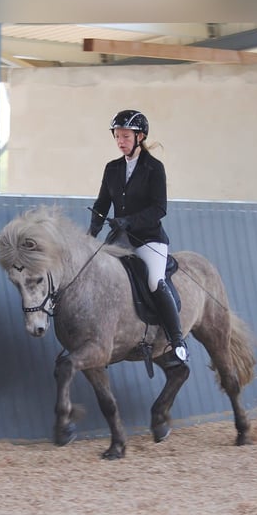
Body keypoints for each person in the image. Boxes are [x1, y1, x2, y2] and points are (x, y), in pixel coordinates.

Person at [87, 109, 188, 367]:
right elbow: (101, 204)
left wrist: (129, 220)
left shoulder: (154, 168)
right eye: (117, 136)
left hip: (148, 239)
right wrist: (92, 232)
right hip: (120, 238)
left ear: (139, 136)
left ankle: (176, 340)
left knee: (155, 281)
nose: (120, 141)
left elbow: (159, 209)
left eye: (125, 136)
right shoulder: (112, 168)